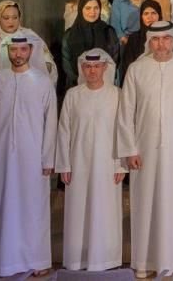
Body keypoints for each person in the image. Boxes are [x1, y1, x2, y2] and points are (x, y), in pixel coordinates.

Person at [116, 21, 173, 277]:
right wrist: (130, 148)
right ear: (149, 42)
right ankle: (146, 262)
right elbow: (126, 112)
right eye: (155, 39)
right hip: (145, 150)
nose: (161, 44)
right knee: (147, 204)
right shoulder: (137, 69)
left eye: (166, 39)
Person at [0, 32, 57, 277]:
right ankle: (1, 260)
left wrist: (48, 159)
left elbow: (50, 124)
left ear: (30, 51)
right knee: (1, 207)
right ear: (7, 51)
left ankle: (37, 260)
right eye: (13, 50)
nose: (18, 54)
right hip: (0, 158)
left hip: (34, 159)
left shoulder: (43, 82)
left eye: (22, 50)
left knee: (34, 208)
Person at [56, 50, 125, 271]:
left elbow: (123, 131)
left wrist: (121, 164)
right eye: (87, 67)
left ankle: (106, 258)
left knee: (106, 211)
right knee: (78, 211)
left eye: (96, 66)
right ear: (82, 68)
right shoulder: (73, 95)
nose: (92, 71)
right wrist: (64, 164)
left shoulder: (117, 94)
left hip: (108, 165)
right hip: (78, 164)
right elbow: (64, 131)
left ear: (105, 68)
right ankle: (78, 259)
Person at [0, 0, 58, 110]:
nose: (11, 21)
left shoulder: (29, 35)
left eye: (15, 17)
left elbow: (47, 61)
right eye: (6, 18)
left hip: (29, 93)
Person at [61, 0, 120, 87]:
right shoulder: (69, 35)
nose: (92, 12)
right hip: (77, 86)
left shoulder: (108, 31)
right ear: (81, 10)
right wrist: (82, 81)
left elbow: (114, 58)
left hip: (104, 85)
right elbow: (67, 63)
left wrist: (99, 81)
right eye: (88, 8)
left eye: (96, 8)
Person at [118, 0, 162, 83]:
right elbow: (128, 65)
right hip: (139, 81)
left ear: (159, 15)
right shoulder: (134, 38)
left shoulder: (165, 37)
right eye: (146, 13)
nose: (150, 17)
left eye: (153, 13)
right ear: (141, 17)